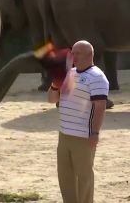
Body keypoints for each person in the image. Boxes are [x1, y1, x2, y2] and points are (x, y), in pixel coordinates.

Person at [47, 40, 109, 203]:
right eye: (72, 53)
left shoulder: (97, 77)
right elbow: (52, 99)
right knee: (65, 176)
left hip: (83, 136)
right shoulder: (70, 74)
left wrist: (95, 133)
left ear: (90, 54)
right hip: (64, 134)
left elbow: (100, 107)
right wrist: (55, 83)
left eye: (78, 53)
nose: (74, 56)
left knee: (84, 177)